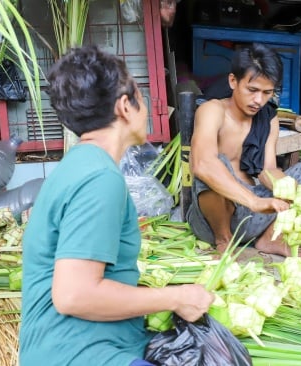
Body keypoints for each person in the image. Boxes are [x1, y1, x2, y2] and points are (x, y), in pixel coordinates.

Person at [19, 45, 214, 365]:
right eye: (141, 94)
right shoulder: (99, 178)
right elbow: (73, 295)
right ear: (125, 106)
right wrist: (177, 297)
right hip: (82, 355)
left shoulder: (78, 165)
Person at [186, 43, 301, 258]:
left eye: (267, 92)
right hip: (213, 219)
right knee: (215, 164)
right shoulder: (212, 110)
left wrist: (293, 193)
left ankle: (271, 239)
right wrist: (254, 202)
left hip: (255, 212)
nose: (259, 100)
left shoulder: (268, 117)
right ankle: (223, 240)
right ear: (233, 81)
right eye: (252, 90)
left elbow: (267, 169)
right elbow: (202, 164)